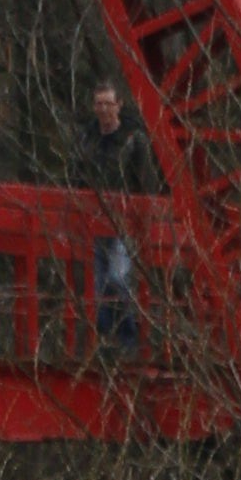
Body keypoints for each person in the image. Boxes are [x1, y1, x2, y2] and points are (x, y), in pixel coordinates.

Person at [76, 69, 157, 359]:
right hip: (94, 222)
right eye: (99, 104)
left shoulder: (133, 139)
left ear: (119, 105)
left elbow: (146, 182)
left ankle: (128, 339)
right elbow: (79, 176)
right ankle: (108, 341)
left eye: (108, 103)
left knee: (118, 278)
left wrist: (139, 215)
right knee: (98, 285)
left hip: (124, 222)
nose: (103, 109)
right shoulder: (87, 138)